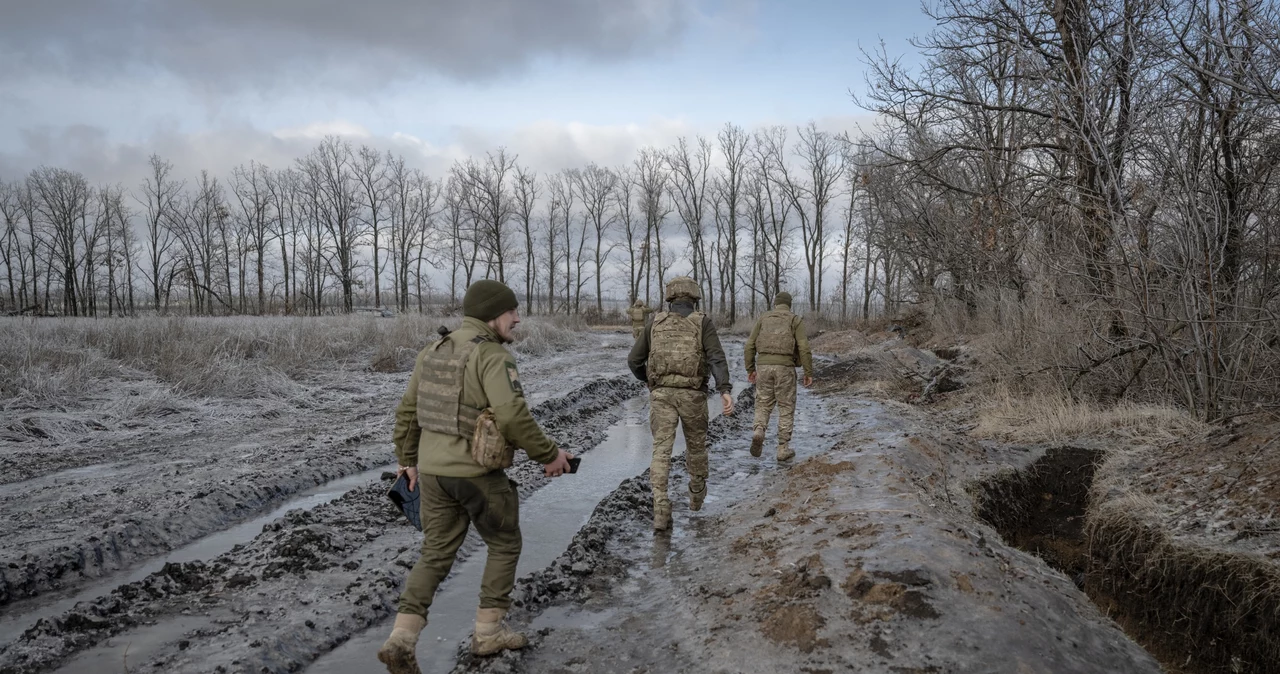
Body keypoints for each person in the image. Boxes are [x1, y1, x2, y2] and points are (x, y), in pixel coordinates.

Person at [379, 280, 574, 674]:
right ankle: (488, 634)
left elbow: (407, 412)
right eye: (511, 312)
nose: (517, 319)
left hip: (433, 475)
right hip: (478, 474)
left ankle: (401, 638)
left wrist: (408, 460)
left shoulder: (432, 351)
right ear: (492, 315)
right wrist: (551, 455)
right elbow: (513, 416)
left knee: (435, 553)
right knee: (504, 543)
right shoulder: (491, 356)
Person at [627, 276, 733, 532]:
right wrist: (724, 390)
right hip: (693, 396)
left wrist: (649, 382)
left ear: (670, 298)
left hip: (661, 395)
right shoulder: (702, 322)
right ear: (695, 298)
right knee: (696, 447)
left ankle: (661, 508)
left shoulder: (655, 322)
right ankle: (696, 496)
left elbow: (634, 360)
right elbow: (716, 358)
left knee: (661, 451)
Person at [743, 291, 814, 462]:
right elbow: (803, 347)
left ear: (775, 303)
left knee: (763, 403)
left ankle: (759, 430)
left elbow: (749, 345)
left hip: (764, 367)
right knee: (786, 406)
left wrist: (750, 369)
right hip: (785, 368)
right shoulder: (794, 319)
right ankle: (782, 448)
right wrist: (808, 371)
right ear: (789, 304)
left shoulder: (763, 318)